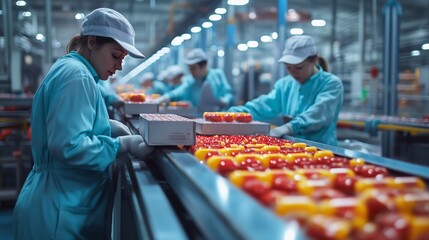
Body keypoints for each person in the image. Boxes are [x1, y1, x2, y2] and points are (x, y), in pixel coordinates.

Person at [13, 8, 153, 239]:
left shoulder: (72, 70)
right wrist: (121, 146)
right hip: (59, 209)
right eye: (116, 55)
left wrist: (105, 127)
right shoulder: (77, 76)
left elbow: (66, 123)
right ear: (91, 42)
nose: (119, 66)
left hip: (59, 200)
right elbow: (69, 146)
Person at [228, 35, 343, 146]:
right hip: (291, 149)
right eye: (288, 67)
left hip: (322, 151)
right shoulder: (285, 84)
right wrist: (235, 113)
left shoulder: (331, 84)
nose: (293, 73)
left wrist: (289, 127)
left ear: (314, 60)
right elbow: (263, 106)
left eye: (299, 67)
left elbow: (318, 114)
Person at [154, 48, 234, 112]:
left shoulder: (217, 75)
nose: (191, 72)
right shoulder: (190, 81)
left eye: (193, 68)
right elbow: (178, 92)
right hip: (198, 118)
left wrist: (224, 101)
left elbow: (228, 93)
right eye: (190, 69)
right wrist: (165, 97)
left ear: (204, 65)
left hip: (217, 118)